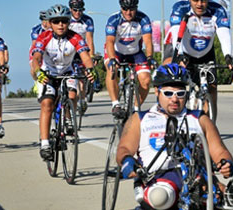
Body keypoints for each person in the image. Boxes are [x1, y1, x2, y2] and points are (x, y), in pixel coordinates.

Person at [116, 63, 233, 209]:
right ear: (157, 92)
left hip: (195, 178)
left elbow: (220, 151)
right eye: (168, 93)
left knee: (219, 198)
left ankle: (223, 195)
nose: (174, 99)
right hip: (158, 179)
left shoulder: (199, 118)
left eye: (180, 94)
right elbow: (124, 148)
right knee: (160, 197)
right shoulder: (140, 118)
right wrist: (127, 162)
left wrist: (226, 164)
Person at [30, 4, 96, 160]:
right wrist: (38, 72)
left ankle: (68, 120)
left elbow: (86, 57)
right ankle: (45, 143)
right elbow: (36, 59)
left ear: (68, 22)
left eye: (64, 21)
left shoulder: (75, 37)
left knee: (72, 96)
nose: (60, 25)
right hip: (48, 74)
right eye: (56, 21)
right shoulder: (43, 37)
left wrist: (90, 70)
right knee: (47, 104)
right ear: (51, 23)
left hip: (67, 72)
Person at [164, 0, 233, 121]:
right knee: (174, 86)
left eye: (203, 0)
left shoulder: (218, 11)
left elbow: (224, 35)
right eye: (195, 0)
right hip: (183, 52)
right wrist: (180, 55)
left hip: (206, 54)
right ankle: (170, 120)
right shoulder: (180, 8)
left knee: (212, 89)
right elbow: (176, 33)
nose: (199, 4)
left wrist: (228, 56)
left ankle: (210, 126)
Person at [105, 0, 157, 118]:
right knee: (111, 69)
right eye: (125, 9)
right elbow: (109, 41)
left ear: (136, 7)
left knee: (146, 80)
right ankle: (115, 104)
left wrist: (149, 57)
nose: (128, 12)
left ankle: (135, 108)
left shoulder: (143, 19)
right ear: (121, 8)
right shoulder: (113, 19)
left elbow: (148, 41)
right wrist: (112, 59)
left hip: (135, 53)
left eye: (132, 9)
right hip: (117, 51)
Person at [68, 0, 98, 111]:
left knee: (83, 77)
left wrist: (92, 55)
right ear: (70, 9)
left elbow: (90, 40)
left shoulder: (88, 20)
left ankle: (82, 99)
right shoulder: (66, 19)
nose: (78, 13)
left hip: (81, 50)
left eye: (80, 10)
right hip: (68, 51)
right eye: (75, 10)